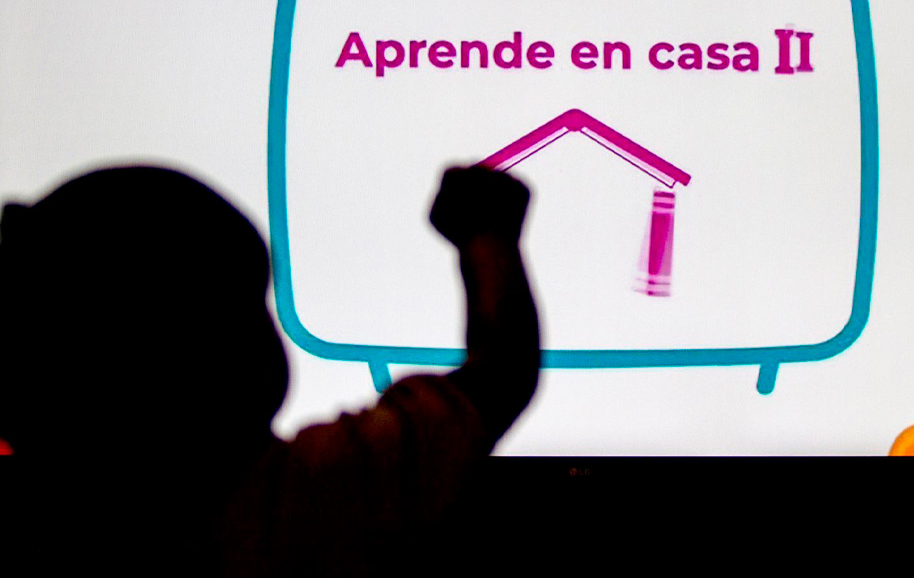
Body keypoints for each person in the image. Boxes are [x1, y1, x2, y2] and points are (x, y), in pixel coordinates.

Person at [0, 164, 539, 571]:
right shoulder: (301, 504)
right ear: (236, 362)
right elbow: (500, 377)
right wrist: (486, 233)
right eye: (252, 302)